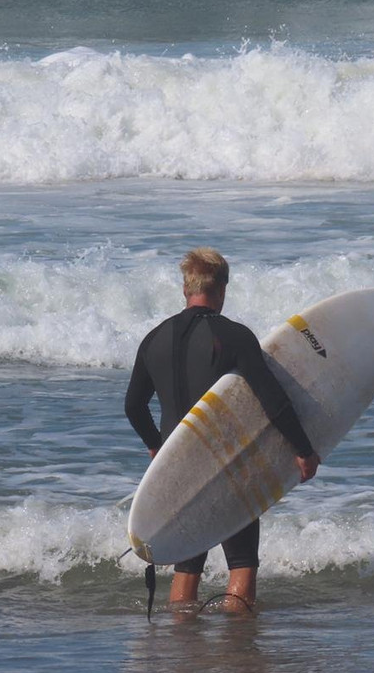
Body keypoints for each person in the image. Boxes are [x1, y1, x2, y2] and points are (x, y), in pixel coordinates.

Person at [125, 247, 321, 610]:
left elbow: (133, 406)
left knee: (187, 564)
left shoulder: (153, 339)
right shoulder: (233, 336)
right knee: (242, 565)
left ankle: (182, 653)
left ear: (186, 289)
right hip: (227, 465)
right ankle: (238, 653)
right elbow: (271, 399)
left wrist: (157, 447)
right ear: (222, 289)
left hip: (178, 467)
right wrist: (303, 449)